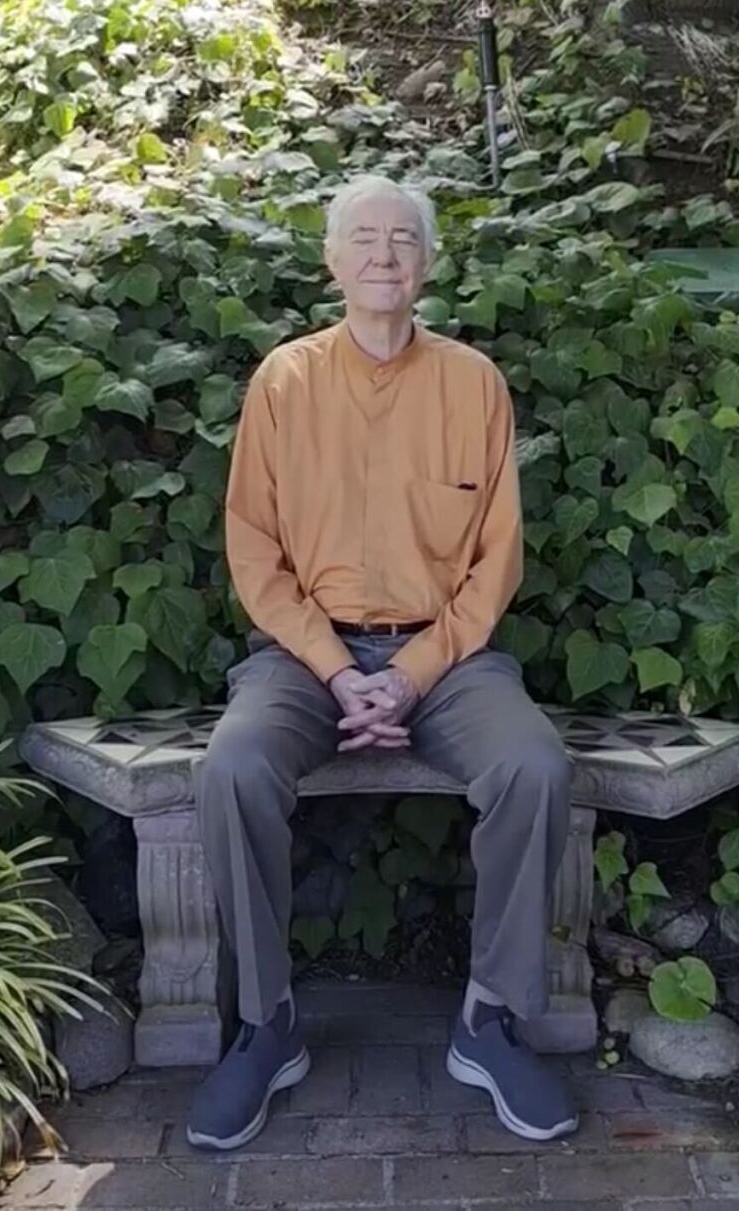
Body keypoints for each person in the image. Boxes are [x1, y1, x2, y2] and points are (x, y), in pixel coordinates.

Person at [187, 174, 577, 1151]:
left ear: (429, 263)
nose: (384, 256)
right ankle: (266, 1023)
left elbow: (498, 555)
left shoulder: (473, 381)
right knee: (233, 766)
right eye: (364, 239)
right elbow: (253, 548)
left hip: (446, 656)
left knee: (532, 763)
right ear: (332, 261)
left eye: (404, 240)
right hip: (303, 654)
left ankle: (488, 1019)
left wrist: (410, 671)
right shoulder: (284, 381)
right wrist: (333, 667)